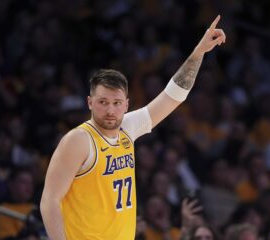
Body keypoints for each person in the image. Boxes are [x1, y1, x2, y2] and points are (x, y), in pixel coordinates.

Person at [40, 15, 226, 239]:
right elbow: (49, 201)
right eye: (102, 102)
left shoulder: (127, 127)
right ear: (90, 102)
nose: (110, 110)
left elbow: (174, 96)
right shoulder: (79, 140)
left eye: (116, 103)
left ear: (126, 104)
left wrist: (198, 52)